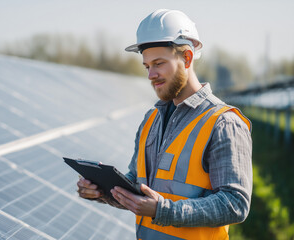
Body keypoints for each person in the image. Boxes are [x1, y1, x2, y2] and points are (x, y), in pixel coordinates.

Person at [77, 9, 252, 240]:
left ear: (187, 58)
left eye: (159, 63)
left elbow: (235, 203)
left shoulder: (223, 123)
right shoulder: (151, 121)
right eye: (147, 66)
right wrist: (102, 191)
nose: (151, 74)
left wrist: (163, 211)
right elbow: (138, 186)